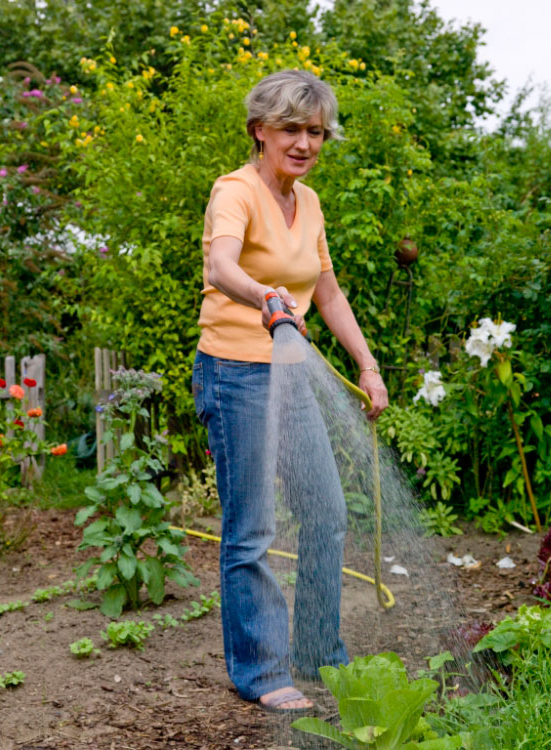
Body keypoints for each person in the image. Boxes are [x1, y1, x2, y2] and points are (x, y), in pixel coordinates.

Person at [191, 69, 388, 713]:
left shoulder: (308, 202)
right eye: (291, 129)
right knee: (251, 529)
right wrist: (264, 297)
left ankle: (317, 651)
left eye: (315, 131)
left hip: (291, 370)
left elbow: (327, 290)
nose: (304, 142)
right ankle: (261, 671)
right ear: (260, 131)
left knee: (327, 514)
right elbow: (221, 267)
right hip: (235, 372)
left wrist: (367, 365)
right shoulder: (235, 192)